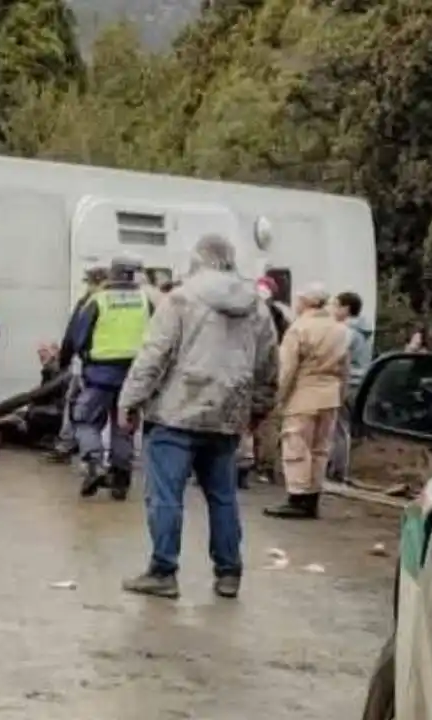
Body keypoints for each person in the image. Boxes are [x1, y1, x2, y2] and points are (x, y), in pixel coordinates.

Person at [116, 234, 278, 600]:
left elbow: (154, 355)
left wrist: (129, 402)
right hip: (227, 414)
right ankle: (228, 573)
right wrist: (259, 408)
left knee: (165, 496)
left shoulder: (181, 298)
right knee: (223, 496)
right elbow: (269, 362)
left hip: (177, 411)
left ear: (197, 259)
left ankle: (163, 571)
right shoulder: (257, 306)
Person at [67, 256, 154, 500]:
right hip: (135, 375)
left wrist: (84, 359)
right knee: (124, 426)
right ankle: (121, 478)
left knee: (84, 419)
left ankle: (94, 464)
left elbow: (79, 338)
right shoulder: (145, 301)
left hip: (100, 373)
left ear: (111, 275)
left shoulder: (98, 300)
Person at [264, 283, 350, 520]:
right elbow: (345, 369)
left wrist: (279, 397)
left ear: (306, 303)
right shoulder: (340, 330)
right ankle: (313, 496)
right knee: (321, 448)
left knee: (297, 445)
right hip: (330, 395)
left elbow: (287, 369)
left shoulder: (299, 329)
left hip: (303, 394)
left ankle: (297, 496)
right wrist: (341, 395)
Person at [45, 266, 109, 464]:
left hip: (88, 366)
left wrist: (64, 361)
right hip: (116, 368)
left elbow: (73, 335)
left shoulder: (89, 302)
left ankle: (70, 446)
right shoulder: (116, 301)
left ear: (94, 282)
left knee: (76, 405)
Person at [236, 276, 294, 488]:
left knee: (243, 423)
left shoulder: (246, 314)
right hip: (266, 375)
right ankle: (261, 467)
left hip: (246, 374)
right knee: (261, 424)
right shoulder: (281, 316)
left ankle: (243, 465)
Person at [327, 291, 373, 484]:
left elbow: (336, 357)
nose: (333, 310)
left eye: (336, 305)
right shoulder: (363, 332)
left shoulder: (346, 332)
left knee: (337, 428)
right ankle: (338, 468)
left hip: (345, 383)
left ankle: (337, 470)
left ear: (346, 309)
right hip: (359, 383)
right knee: (342, 428)